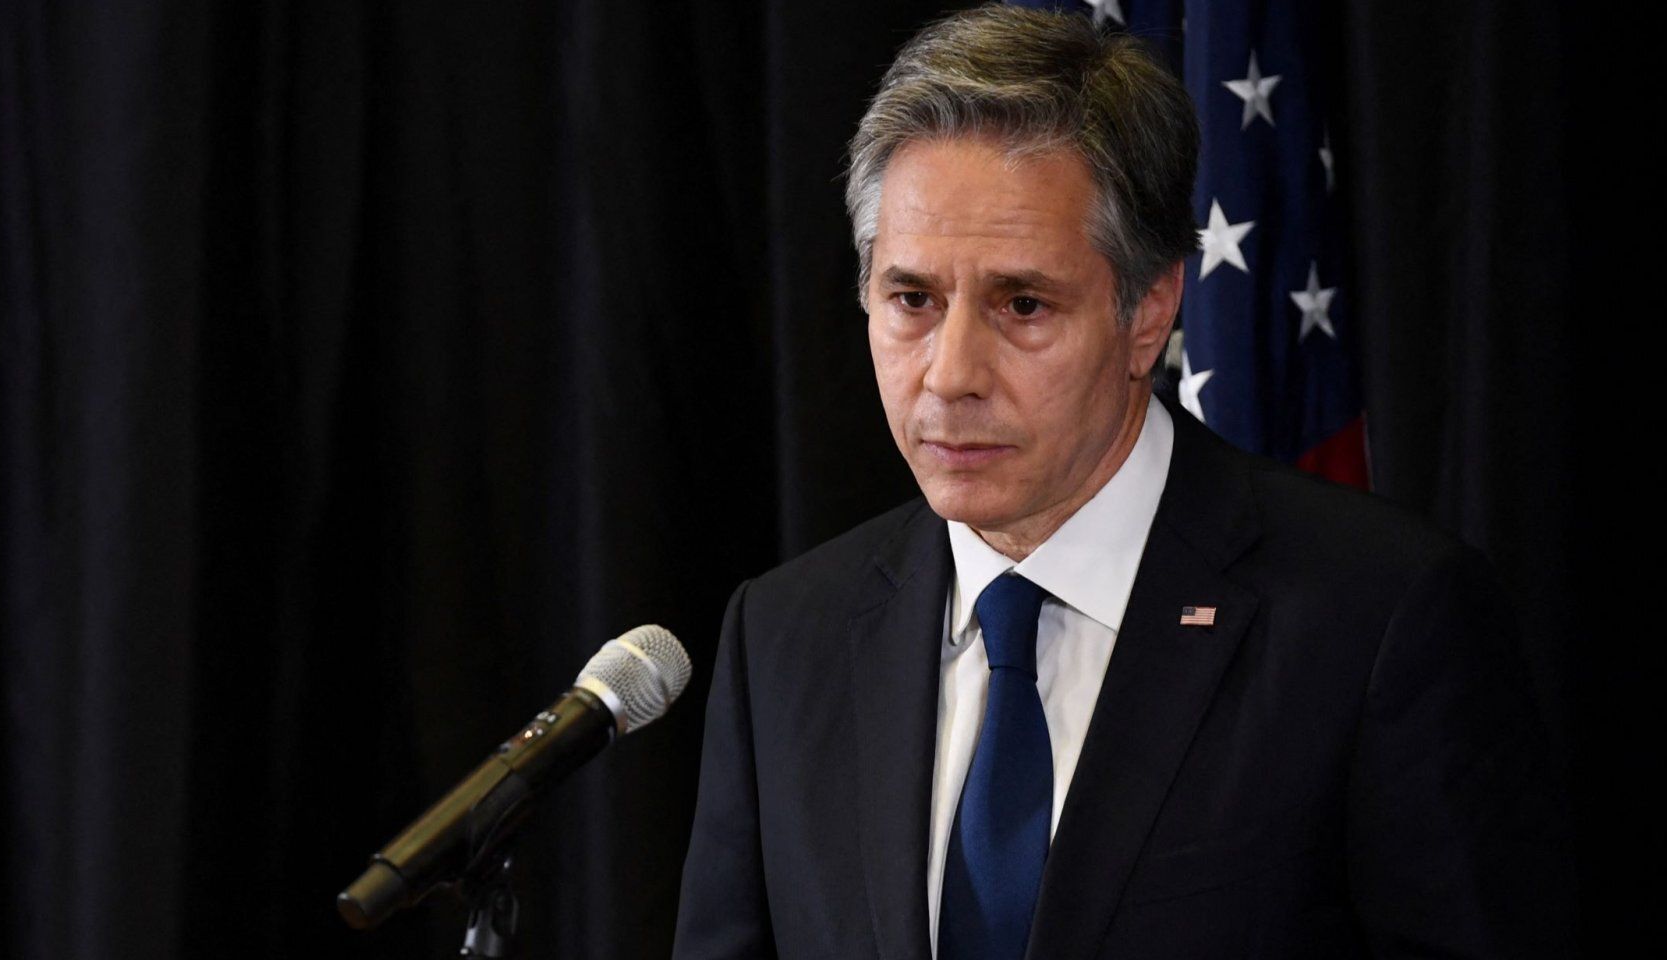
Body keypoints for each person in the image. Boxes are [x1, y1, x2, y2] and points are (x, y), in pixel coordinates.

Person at [673, 6, 1575, 958]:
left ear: (1147, 313)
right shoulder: (784, 640)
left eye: (1023, 304)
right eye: (912, 299)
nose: (950, 374)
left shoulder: (1378, 622)